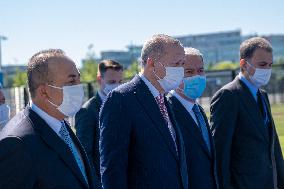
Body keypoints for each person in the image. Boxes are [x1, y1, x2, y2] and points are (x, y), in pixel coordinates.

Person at [0, 49, 101, 189]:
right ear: (44, 91)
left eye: (79, 79)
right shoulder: (17, 143)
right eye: (72, 81)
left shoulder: (60, 122)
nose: (79, 87)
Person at [100, 34, 188, 189]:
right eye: (176, 64)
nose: (181, 70)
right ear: (152, 63)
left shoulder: (164, 99)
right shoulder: (122, 99)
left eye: (182, 64)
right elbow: (113, 168)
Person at [210, 37, 284, 189]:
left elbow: (272, 145)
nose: (267, 70)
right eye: (262, 65)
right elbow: (220, 153)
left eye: (270, 65)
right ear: (243, 64)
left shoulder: (262, 95)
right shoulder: (227, 96)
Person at [166, 47, 219, 189]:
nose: (197, 76)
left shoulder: (198, 110)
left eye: (201, 70)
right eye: (189, 72)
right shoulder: (167, 111)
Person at [75, 59, 123, 179]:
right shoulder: (87, 111)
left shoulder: (123, 105)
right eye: (112, 82)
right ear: (99, 80)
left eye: (120, 81)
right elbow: (85, 156)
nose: (117, 86)